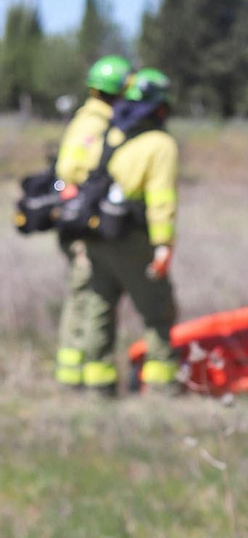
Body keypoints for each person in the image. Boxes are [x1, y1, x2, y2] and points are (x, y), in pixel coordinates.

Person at [59, 67, 181, 395]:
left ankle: (98, 387)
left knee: (98, 309)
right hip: (134, 239)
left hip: (98, 237)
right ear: (160, 106)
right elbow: (160, 199)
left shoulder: (112, 133)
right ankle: (162, 387)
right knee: (157, 311)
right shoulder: (161, 144)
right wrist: (163, 245)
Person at [52, 55, 131, 388]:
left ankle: (73, 373)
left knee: (83, 294)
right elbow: (70, 170)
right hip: (83, 223)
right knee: (85, 294)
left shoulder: (86, 117)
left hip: (78, 220)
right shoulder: (97, 124)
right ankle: (79, 375)